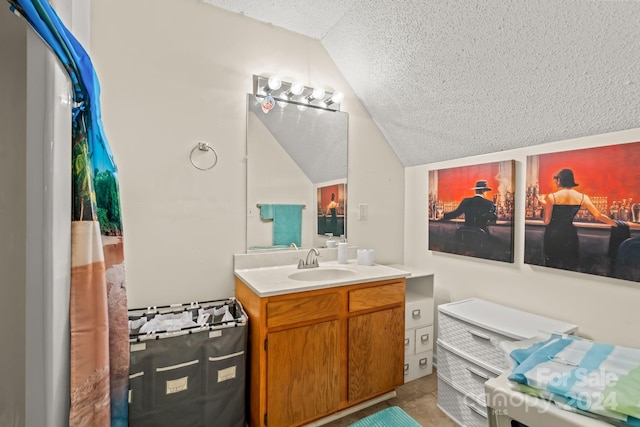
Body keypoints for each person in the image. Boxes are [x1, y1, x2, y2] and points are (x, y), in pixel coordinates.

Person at [541, 168, 617, 270]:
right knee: (570, 265)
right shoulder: (582, 197)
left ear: (560, 180)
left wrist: (545, 205)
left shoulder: (551, 197)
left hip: (553, 234)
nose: (556, 182)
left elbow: (546, 221)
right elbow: (598, 215)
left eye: (557, 180)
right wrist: (616, 223)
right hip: (570, 234)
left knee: (552, 265)